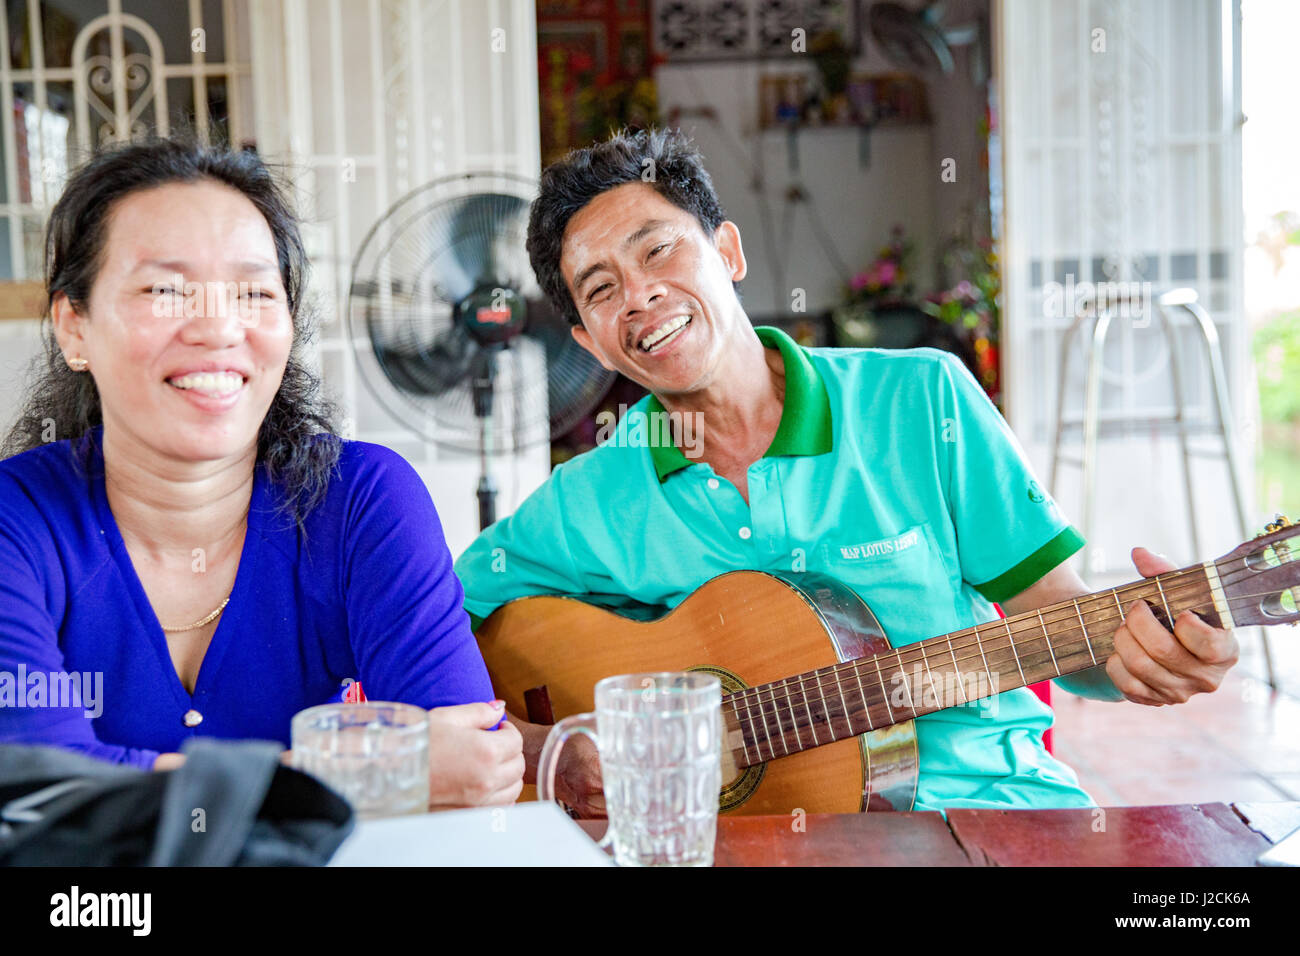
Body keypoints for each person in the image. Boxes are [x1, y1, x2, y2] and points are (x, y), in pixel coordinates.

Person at [453, 127, 1239, 816]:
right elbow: (429, 632)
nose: (642, 293)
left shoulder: (921, 400)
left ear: (726, 252)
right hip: (750, 839)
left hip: (991, 807)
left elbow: (1067, 621)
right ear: (589, 343)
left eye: (657, 248)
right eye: (601, 289)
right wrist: (544, 752)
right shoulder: (592, 496)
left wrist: (1142, 659)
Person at [0, 138, 523, 808]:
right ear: (74, 328)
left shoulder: (360, 500)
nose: (218, 328)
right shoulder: (18, 521)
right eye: (165, 289)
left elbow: (470, 765)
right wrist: (360, 772)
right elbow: (44, 799)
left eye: (253, 291)